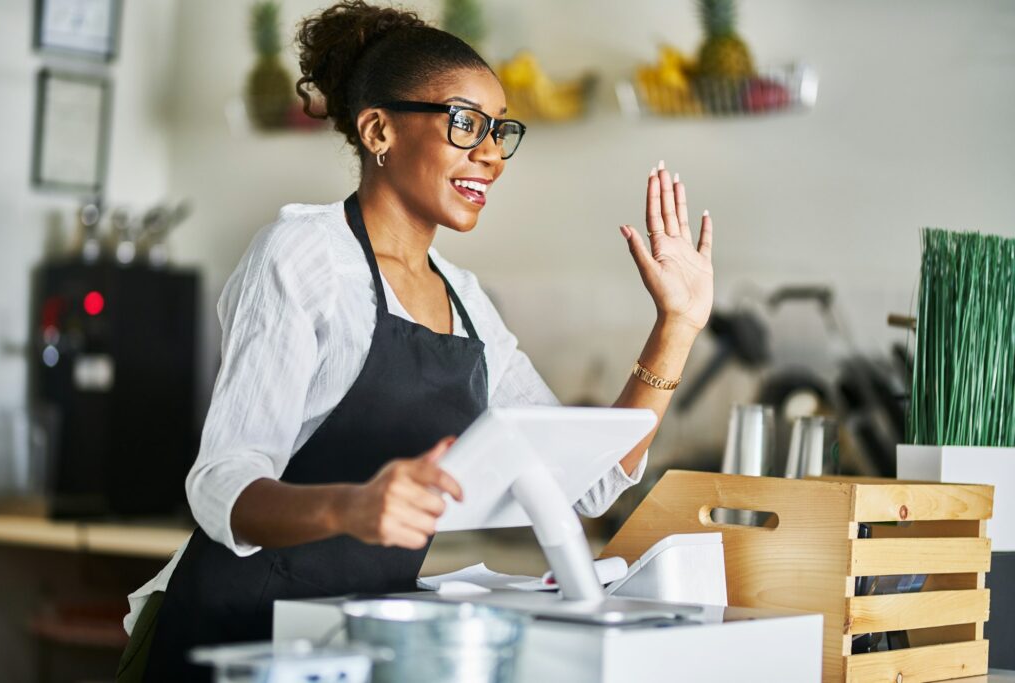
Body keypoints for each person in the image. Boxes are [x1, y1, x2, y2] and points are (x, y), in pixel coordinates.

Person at [116, 1, 714, 680]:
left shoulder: (467, 299)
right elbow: (221, 482)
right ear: (379, 130)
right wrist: (352, 505)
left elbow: (586, 480)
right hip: (241, 638)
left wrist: (676, 326)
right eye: (466, 124)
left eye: (499, 132)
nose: (491, 155)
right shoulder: (304, 256)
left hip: (360, 641)